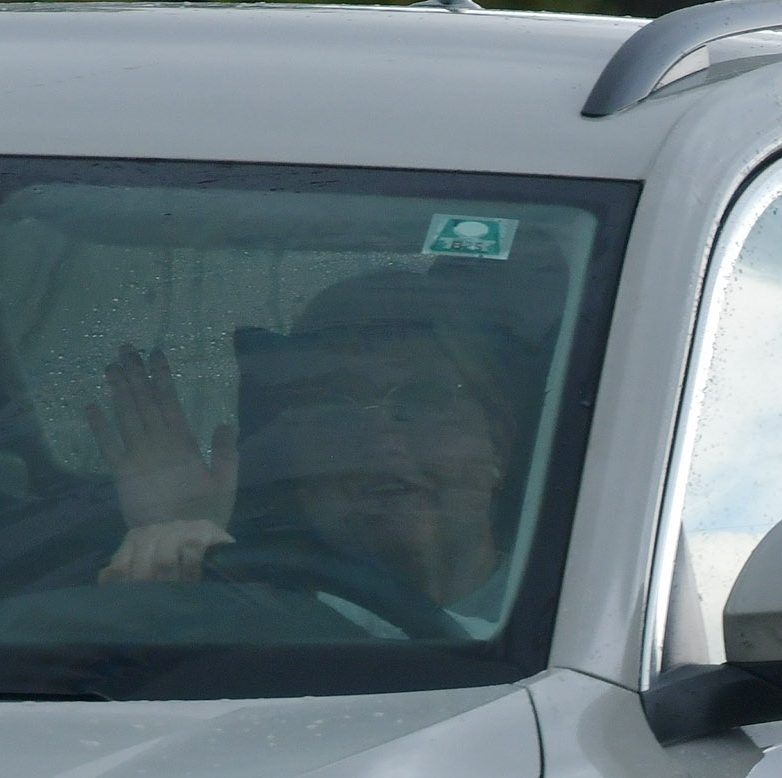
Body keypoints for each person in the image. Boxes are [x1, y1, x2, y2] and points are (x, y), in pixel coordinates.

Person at [93, 265, 527, 622]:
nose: (379, 439)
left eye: (423, 401)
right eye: (335, 408)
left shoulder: (573, 619)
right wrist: (182, 553)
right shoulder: (256, 616)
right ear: (296, 462)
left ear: (499, 444)